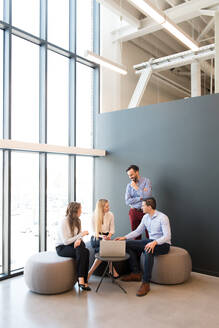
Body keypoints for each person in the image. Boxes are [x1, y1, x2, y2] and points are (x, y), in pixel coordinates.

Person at [116, 197, 171, 297]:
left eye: (143, 205)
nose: (141, 207)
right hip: (150, 242)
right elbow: (137, 231)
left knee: (148, 249)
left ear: (149, 207)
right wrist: (124, 237)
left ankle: (146, 283)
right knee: (126, 243)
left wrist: (155, 243)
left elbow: (167, 236)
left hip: (163, 244)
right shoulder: (145, 217)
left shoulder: (163, 217)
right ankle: (136, 273)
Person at [56, 202, 91, 291]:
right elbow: (66, 241)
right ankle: (82, 280)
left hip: (73, 244)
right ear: (75, 211)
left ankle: (82, 279)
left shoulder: (78, 221)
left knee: (84, 250)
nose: (81, 211)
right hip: (62, 247)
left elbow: (78, 236)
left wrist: (79, 239)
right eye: (80, 209)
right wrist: (80, 236)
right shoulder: (64, 221)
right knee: (83, 251)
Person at [88, 199, 119, 280]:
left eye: (108, 206)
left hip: (106, 236)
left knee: (104, 248)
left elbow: (112, 229)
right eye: (106, 206)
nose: (108, 207)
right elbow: (93, 232)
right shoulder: (94, 216)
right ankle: (111, 269)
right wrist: (103, 237)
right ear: (101, 208)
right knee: (106, 247)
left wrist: (109, 235)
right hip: (97, 237)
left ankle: (90, 273)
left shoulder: (111, 214)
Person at [125, 164, 152, 239]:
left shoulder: (146, 181)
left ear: (137, 172)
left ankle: (150, 250)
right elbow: (127, 201)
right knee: (135, 235)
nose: (130, 177)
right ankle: (136, 251)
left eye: (132, 175)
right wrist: (140, 198)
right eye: (129, 176)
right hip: (134, 212)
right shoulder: (129, 185)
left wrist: (136, 188)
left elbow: (147, 196)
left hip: (146, 212)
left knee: (149, 234)